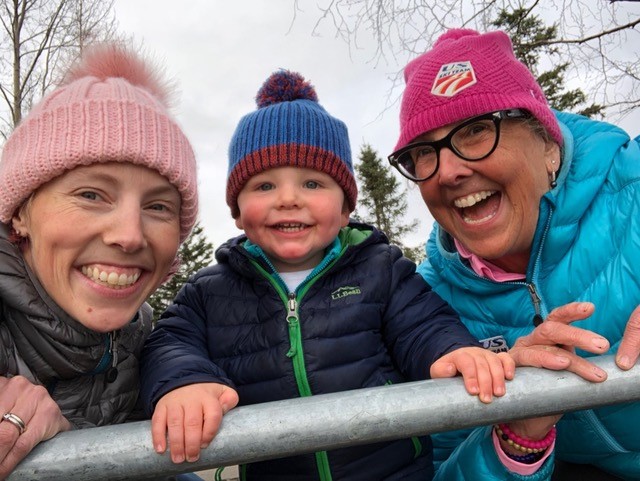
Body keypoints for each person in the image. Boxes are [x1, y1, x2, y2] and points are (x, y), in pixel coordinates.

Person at [139, 70, 515, 480]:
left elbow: (422, 324)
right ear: (237, 211)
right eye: (263, 186)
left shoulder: (381, 270)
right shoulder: (209, 291)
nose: (288, 199)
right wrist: (186, 383)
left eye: (313, 183)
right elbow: (170, 343)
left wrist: (452, 351)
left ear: (345, 207)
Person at [388, 28, 640, 480]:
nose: (447, 172)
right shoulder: (425, 304)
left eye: (477, 129)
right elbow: (442, 466)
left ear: (546, 142)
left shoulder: (633, 186)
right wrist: (518, 430)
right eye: (423, 153)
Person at [0, 43, 197, 479]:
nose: (128, 235)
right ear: (20, 212)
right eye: (91, 195)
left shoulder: (140, 333)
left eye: (159, 207)